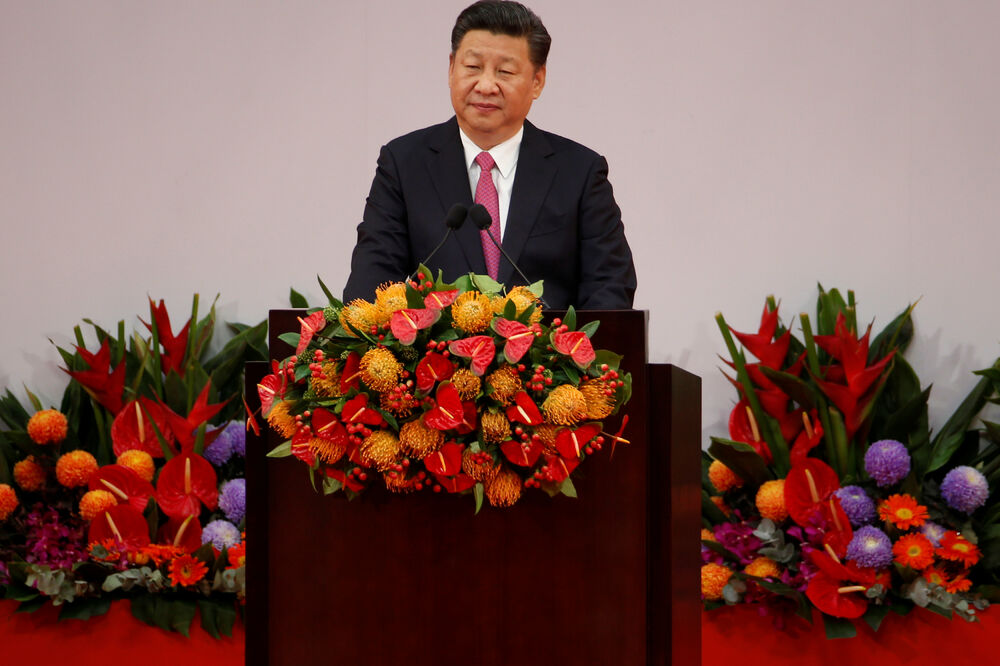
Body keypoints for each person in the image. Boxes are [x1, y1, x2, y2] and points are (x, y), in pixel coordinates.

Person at [343, 0, 636, 310]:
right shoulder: (404, 164)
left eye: (505, 71)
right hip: (433, 358)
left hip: (544, 357)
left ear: (537, 81)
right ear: (451, 68)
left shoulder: (579, 172)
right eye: (472, 67)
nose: (485, 85)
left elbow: (610, 286)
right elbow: (371, 284)